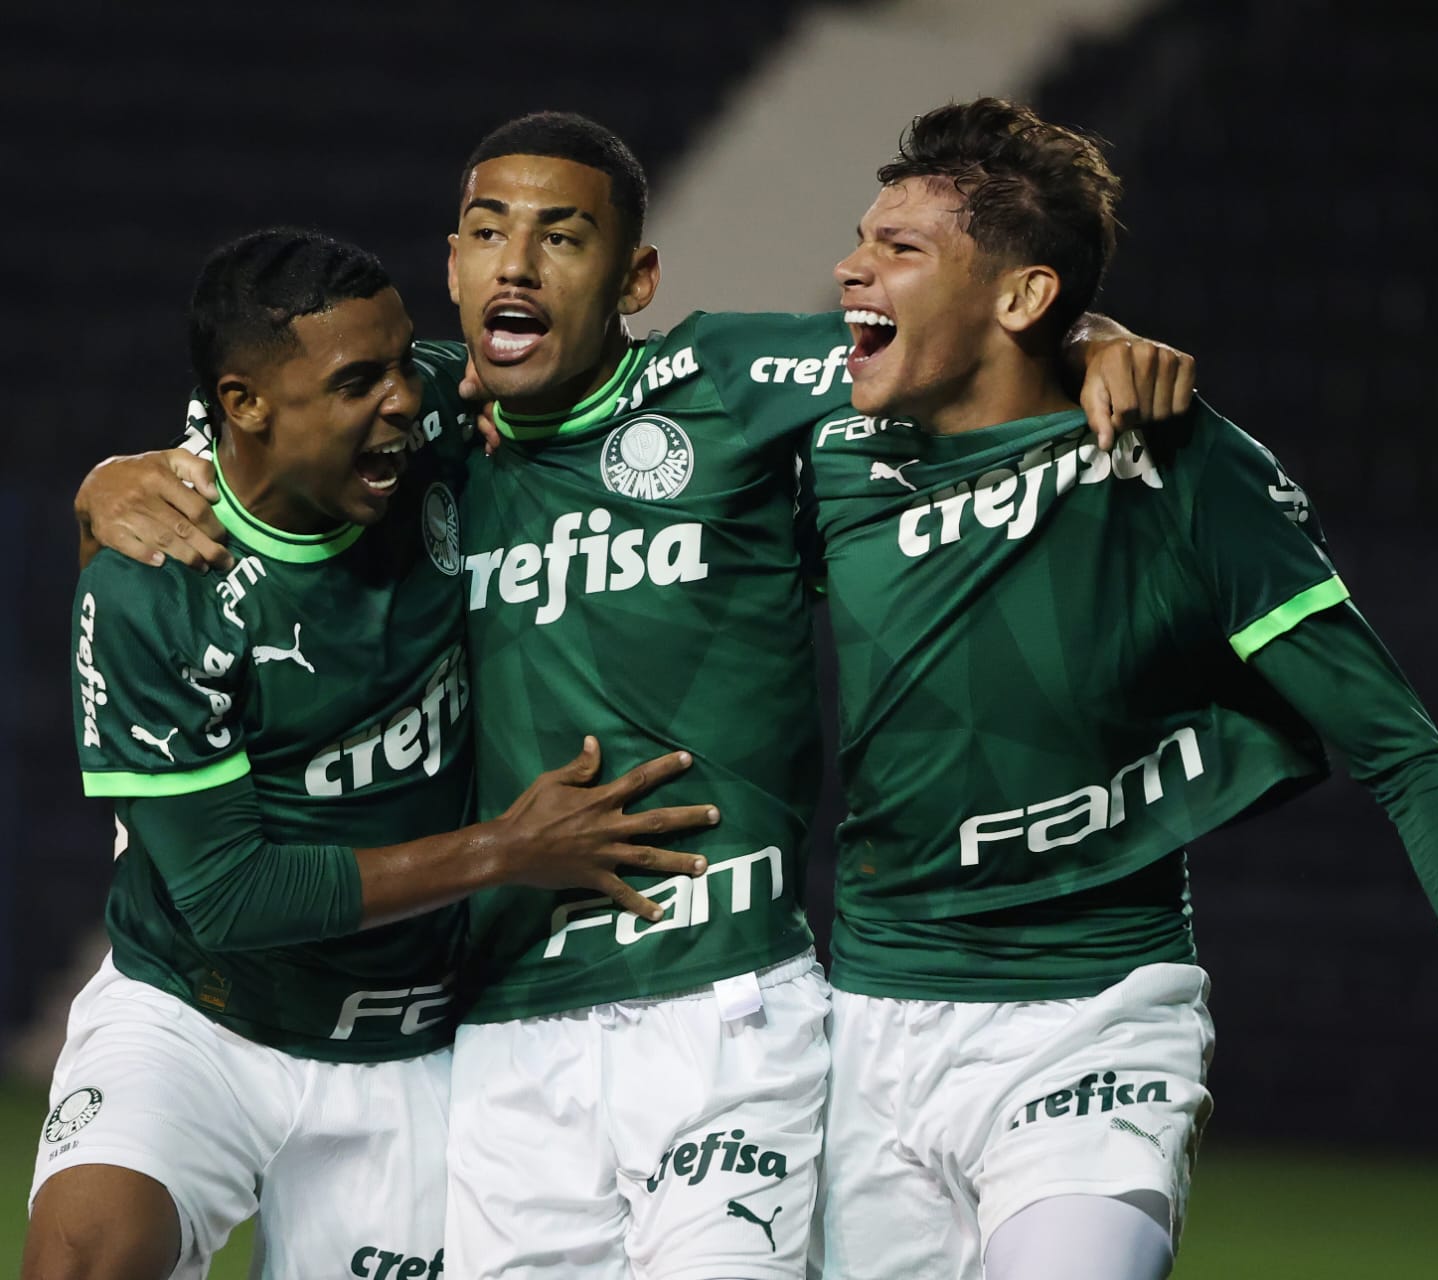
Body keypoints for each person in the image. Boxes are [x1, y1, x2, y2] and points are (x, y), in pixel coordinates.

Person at [73, 114, 1194, 1278]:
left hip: (723, 1006)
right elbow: (250, 423)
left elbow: (948, 341)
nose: (515, 263)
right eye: (487, 233)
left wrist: (1090, 338)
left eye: (560, 238)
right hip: (506, 1036)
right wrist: (108, 480)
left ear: (636, 277)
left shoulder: (727, 383)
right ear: (451, 266)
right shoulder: (421, 417)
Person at [804, 98, 1438, 1280]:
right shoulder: (827, 445)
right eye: (864, 238)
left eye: (900, 249)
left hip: (1093, 1017)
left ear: (1020, 296)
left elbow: (1404, 751)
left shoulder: (1178, 463)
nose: (851, 267)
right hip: (864, 1027)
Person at [29, 228, 712, 1280]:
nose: (402, 394)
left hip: (403, 1043)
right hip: (196, 1014)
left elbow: (668, 373)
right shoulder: (154, 585)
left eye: (400, 360)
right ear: (244, 404)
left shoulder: (435, 415)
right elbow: (233, 896)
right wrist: (508, 849)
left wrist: (1070, 344)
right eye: (359, 380)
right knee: (86, 1256)